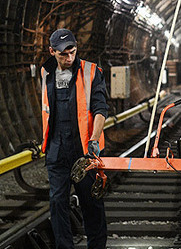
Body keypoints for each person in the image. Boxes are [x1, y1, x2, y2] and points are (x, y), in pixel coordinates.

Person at [40, 28, 108, 249]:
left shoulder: (91, 71)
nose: (69, 58)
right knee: (57, 202)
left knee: (91, 203)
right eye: (63, 54)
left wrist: (94, 140)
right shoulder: (45, 72)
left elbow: (100, 108)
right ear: (52, 51)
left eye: (73, 51)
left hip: (84, 148)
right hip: (56, 148)